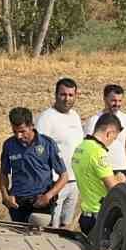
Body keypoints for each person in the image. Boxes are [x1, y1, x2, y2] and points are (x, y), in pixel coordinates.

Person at [0, 107, 69, 226]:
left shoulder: (47, 144)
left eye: (22, 131)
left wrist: (48, 196)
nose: (18, 136)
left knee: (39, 240)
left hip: (41, 203)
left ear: (31, 125)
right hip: (18, 203)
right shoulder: (9, 145)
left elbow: (64, 176)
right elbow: (3, 173)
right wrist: (5, 196)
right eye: (15, 131)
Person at [35, 78, 84, 228]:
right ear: (55, 95)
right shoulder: (47, 117)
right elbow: (38, 150)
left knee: (65, 226)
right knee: (50, 226)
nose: (66, 99)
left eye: (70, 95)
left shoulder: (75, 116)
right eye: (63, 94)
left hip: (74, 180)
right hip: (55, 182)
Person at [70, 113, 126, 236]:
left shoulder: (81, 147)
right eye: (114, 138)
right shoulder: (98, 152)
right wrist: (121, 179)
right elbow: (113, 187)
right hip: (100, 216)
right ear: (109, 133)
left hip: (86, 214)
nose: (112, 142)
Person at [82, 83, 126, 172]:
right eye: (113, 100)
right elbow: (88, 148)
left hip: (122, 169)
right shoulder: (94, 121)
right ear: (104, 99)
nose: (117, 104)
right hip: (101, 171)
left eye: (120, 101)